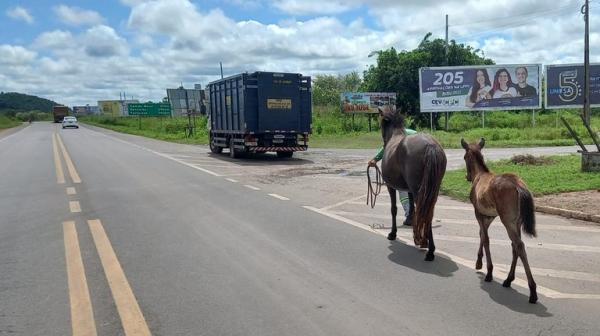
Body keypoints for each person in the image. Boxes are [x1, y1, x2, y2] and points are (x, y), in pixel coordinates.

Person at [368, 127, 417, 226]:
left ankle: (410, 215)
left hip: (403, 166)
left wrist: (375, 159)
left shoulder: (394, 135)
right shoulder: (414, 133)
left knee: (402, 187)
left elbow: (386, 148)